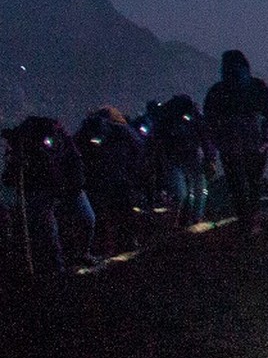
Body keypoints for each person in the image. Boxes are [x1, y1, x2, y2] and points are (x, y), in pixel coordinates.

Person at [203, 51, 268, 235]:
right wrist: (265, 137)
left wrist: (217, 142)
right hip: (250, 143)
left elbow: (209, 120)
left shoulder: (218, 90)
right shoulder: (256, 86)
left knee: (242, 185)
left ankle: (247, 222)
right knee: (249, 184)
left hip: (240, 144)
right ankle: (249, 222)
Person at [4, 116, 92, 274]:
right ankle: (57, 269)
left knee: (86, 218)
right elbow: (10, 176)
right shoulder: (25, 145)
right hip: (41, 189)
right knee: (49, 230)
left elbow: (75, 161)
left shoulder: (61, 140)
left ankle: (79, 255)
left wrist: (74, 186)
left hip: (65, 186)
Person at [74, 108, 147, 256]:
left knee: (102, 216)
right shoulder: (122, 130)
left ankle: (104, 249)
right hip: (120, 178)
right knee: (124, 212)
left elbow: (78, 151)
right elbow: (139, 147)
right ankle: (128, 243)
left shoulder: (88, 130)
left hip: (97, 180)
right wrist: (133, 172)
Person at [148, 94, 212, 229]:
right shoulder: (167, 120)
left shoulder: (193, 117)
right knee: (183, 193)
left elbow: (205, 138)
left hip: (192, 158)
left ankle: (194, 219)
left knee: (199, 190)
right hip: (175, 160)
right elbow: (155, 142)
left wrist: (210, 158)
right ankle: (183, 221)